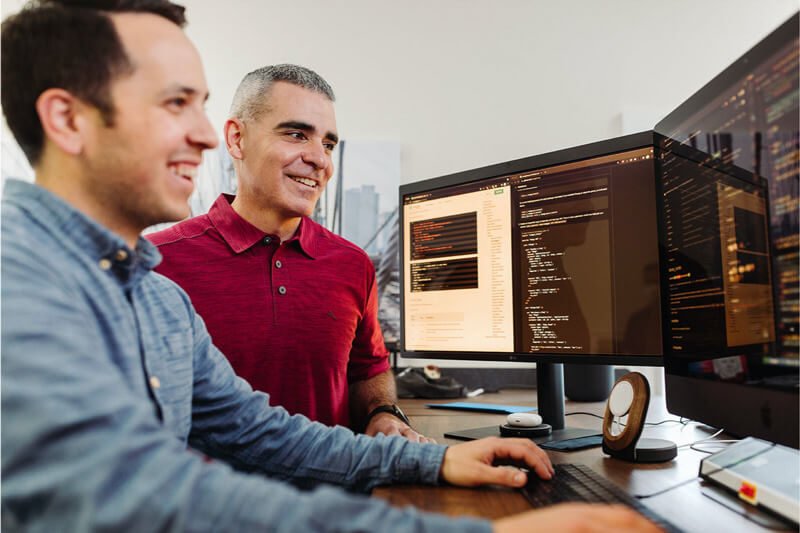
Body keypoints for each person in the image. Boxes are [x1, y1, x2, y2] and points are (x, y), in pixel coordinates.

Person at [0, 2, 662, 532]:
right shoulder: (18, 276)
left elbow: (269, 434)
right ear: (68, 118)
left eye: (202, 105)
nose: (203, 134)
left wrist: (434, 458)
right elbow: (136, 500)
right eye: (177, 103)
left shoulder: (154, 298)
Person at [147, 64, 426, 441]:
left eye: (328, 144)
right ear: (237, 139)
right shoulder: (156, 263)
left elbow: (368, 369)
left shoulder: (353, 264)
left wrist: (382, 413)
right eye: (297, 134)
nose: (320, 160)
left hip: (337, 492)